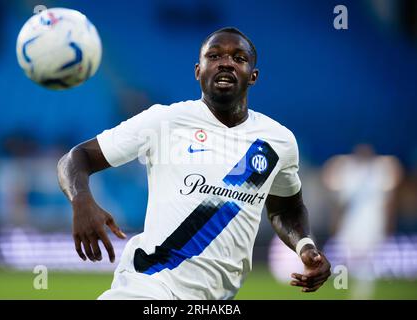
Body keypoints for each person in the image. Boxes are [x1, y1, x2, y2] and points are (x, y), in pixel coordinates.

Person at [57, 27, 331, 300]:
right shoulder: (165, 121)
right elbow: (75, 159)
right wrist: (81, 200)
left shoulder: (278, 141)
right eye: (214, 56)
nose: (226, 62)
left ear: (253, 76)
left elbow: (286, 209)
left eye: (239, 58)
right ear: (198, 71)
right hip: (149, 287)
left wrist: (305, 246)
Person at [322, 143, 402, 299]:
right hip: (351, 223)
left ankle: (362, 291)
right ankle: (341, 285)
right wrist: (336, 221)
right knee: (344, 253)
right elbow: (340, 202)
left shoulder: (380, 173)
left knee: (366, 258)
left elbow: (390, 199)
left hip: (372, 223)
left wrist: (389, 223)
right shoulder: (350, 174)